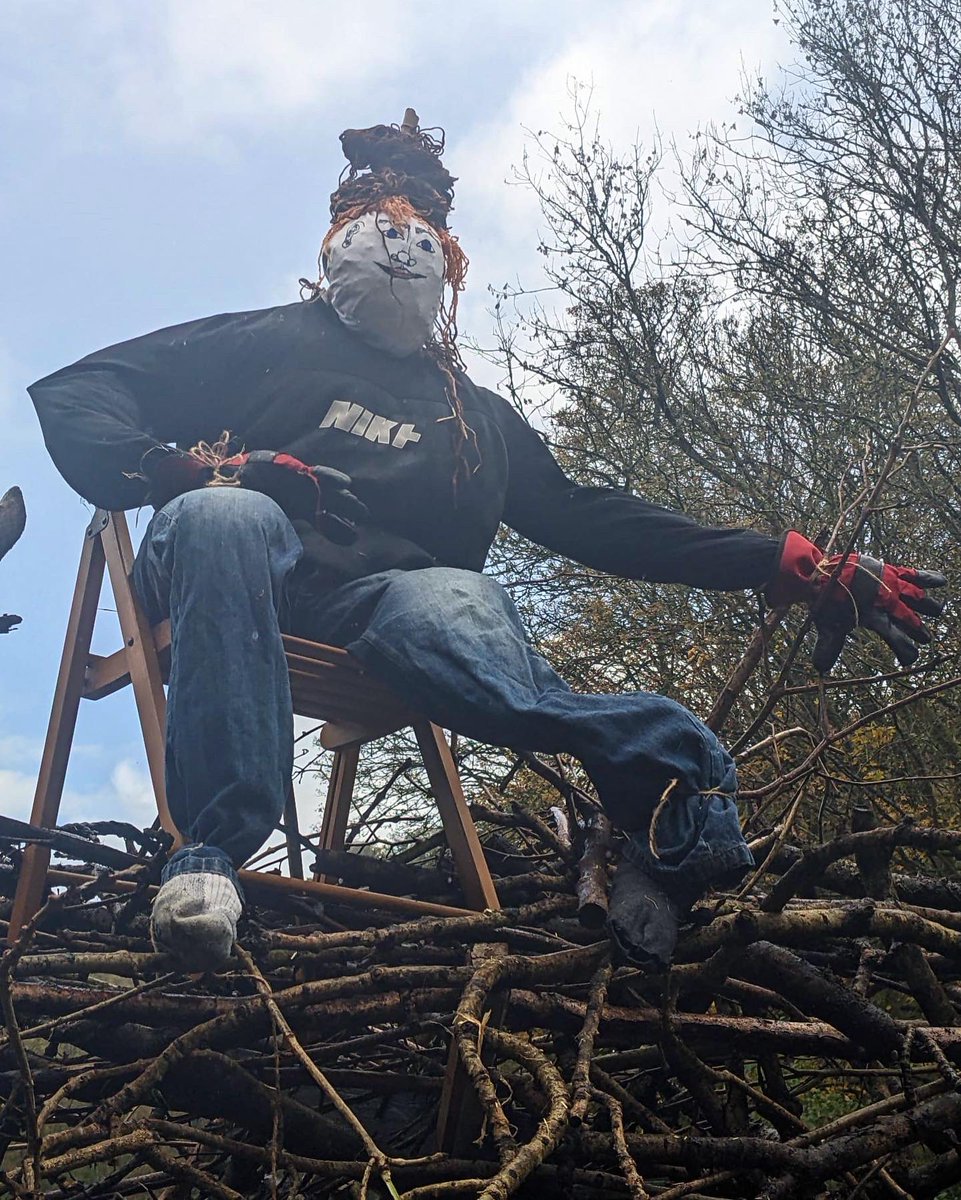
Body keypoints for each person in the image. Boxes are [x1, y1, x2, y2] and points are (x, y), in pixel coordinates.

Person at [28, 120, 945, 972]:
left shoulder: (476, 418)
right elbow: (79, 391)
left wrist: (781, 562)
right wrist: (187, 471)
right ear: (336, 239)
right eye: (375, 221)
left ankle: (671, 813)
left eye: (419, 227)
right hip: (226, 567)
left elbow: (593, 518)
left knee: (459, 604)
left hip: (382, 606)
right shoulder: (264, 342)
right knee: (232, 518)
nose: (398, 242)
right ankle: (212, 854)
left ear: (450, 261)